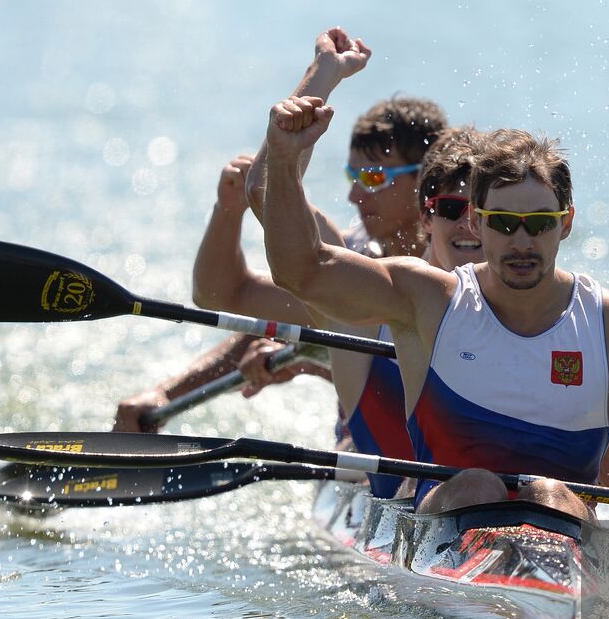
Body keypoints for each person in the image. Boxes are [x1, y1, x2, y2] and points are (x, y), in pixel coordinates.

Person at [260, 98, 609, 533]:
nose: (521, 241)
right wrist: (284, 160)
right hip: (444, 517)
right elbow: (303, 271)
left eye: (539, 223)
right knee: (478, 484)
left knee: (550, 492)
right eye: (506, 223)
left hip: (562, 522)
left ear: (566, 223)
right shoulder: (428, 299)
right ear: (480, 223)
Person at [112, 27, 445, 434]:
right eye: (353, 175)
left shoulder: (467, 252)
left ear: (427, 179)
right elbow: (223, 295)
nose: (355, 195)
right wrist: (168, 394)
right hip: (371, 461)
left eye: (374, 177)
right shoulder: (352, 254)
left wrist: (317, 359)